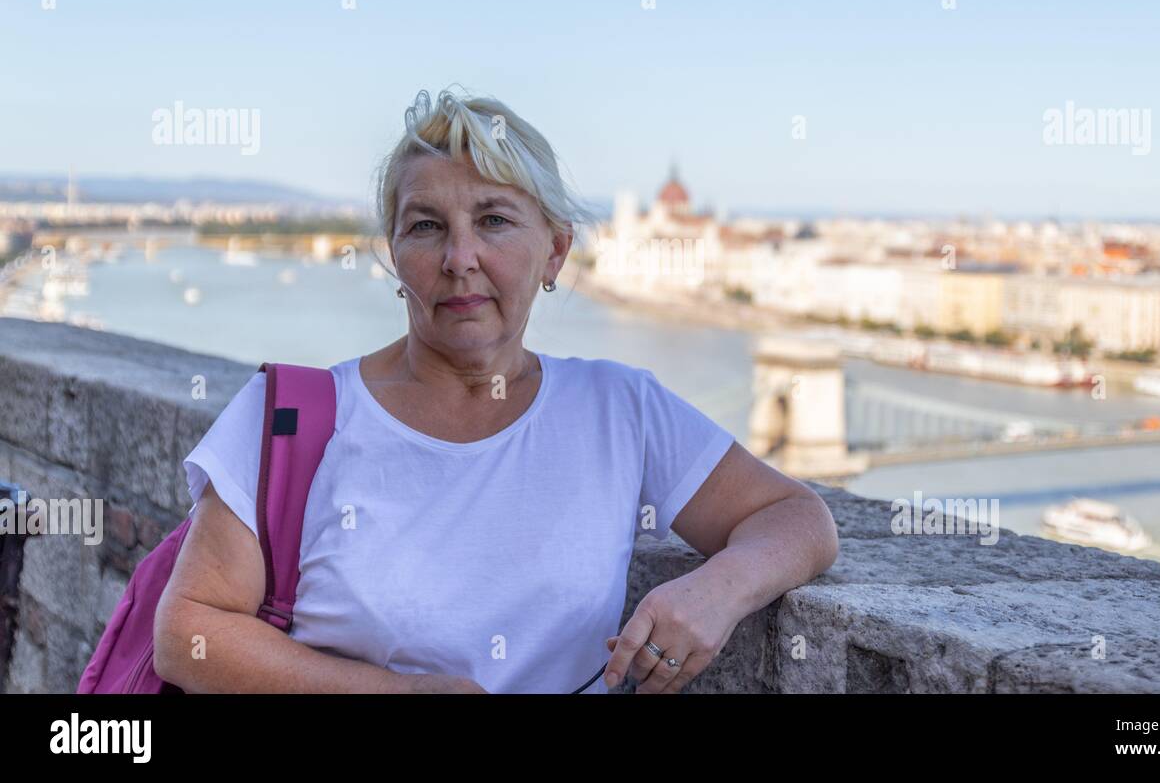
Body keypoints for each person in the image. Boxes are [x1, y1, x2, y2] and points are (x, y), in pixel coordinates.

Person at [154, 85, 839, 693]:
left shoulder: (619, 409)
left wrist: (717, 591)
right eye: (426, 227)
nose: (460, 260)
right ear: (395, 255)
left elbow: (798, 518)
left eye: (494, 221)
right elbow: (187, 634)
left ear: (555, 251)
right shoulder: (289, 418)